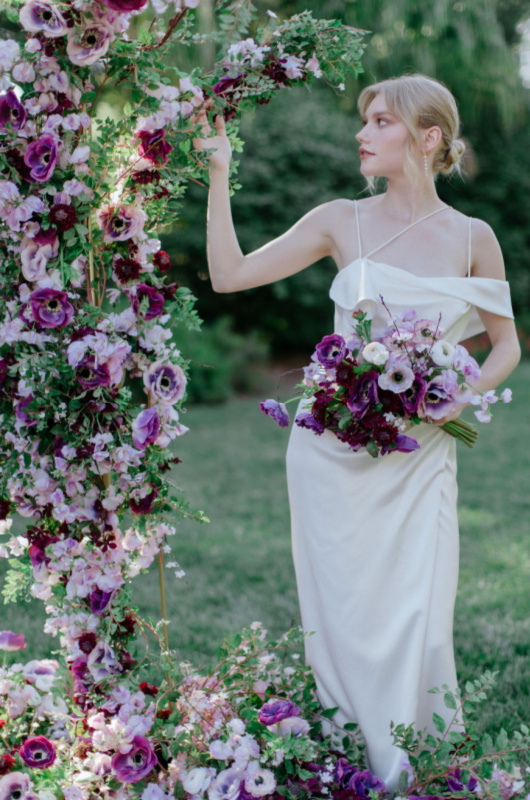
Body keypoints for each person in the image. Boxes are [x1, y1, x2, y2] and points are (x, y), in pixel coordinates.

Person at [192, 73, 521, 790]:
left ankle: (417, 762)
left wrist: (460, 394)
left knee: (422, 618)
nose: (361, 133)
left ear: (428, 137)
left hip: (424, 454)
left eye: (379, 121)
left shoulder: (474, 236)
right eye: (363, 120)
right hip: (331, 454)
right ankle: (347, 762)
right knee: (341, 618)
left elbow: (505, 345)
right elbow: (229, 275)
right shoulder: (342, 219)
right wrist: (219, 173)